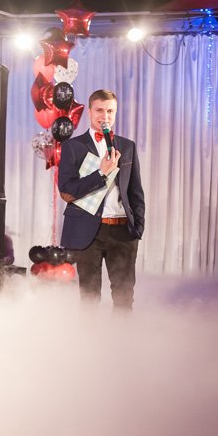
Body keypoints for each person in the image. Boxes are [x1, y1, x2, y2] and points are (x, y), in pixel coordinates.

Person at [57, 89, 145, 309]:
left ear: (115, 112)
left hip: (123, 231)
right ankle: (90, 333)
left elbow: (135, 191)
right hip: (88, 231)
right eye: (99, 110)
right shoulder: (73, 146)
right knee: (89, 297)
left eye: (110, 111)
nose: (105, 116)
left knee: (124, 297)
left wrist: (138, 227)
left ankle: (121, 333)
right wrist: (101, 173)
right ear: (89, 112)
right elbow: (66, 190)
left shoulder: (127, 146)